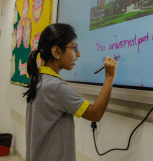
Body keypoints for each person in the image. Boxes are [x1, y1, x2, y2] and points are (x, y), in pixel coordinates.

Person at [22, 23, 118, 161]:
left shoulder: (39, 79)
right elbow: (95, 114)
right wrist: (109, 77)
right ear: (56, 52)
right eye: (74, 48)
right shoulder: (55, 87)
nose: (78, 54)